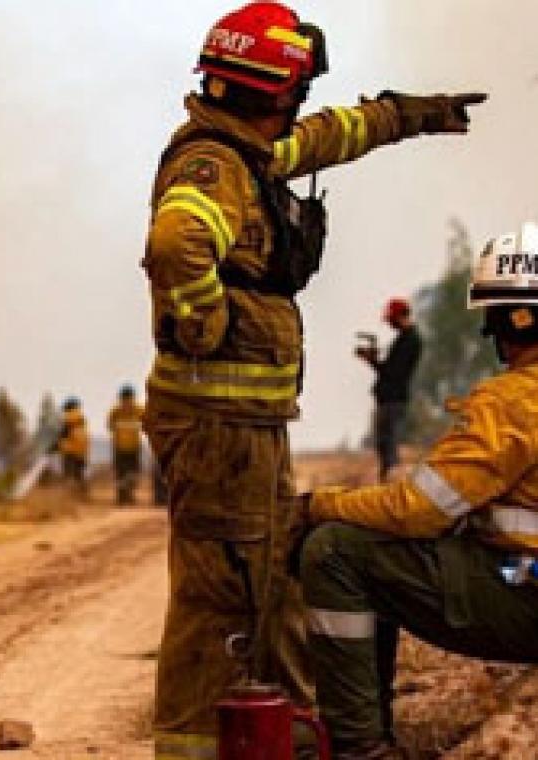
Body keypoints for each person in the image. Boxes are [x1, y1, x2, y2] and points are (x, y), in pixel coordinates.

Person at [140, 2, 485, 754]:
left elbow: (332, 134)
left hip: (242, 426)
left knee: (263, 581)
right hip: (219, 425)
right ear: (274, 89)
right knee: (224, 597)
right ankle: (199, 744)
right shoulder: (215, 167)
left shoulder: (250, 152)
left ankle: (269, 736)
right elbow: (176, 241)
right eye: (298, 89)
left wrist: (409, 116)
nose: (302, 103)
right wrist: (204, 322)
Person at [299, 223, 538, 760]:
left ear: (514, 318)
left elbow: (421, 509)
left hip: (524, 590)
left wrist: (319, 505)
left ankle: (358, 746)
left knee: (338, 550)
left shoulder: (516, 401)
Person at [355, 298, 423, 479]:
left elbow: (393, 372)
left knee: (388, 444)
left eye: (391, 319)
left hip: (393, 400)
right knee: (384, 444)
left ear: (400, 316)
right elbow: (390, 369)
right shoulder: (404, 338)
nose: (389, 323)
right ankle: (388, 481)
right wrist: (373, 360)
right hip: (390, 399)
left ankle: (392, 481)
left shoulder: (410, 340)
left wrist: (372, 359)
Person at [107, 385, 145, 505]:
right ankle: (129, 494)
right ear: (133, 396)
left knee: (120, 472)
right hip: (134, 446)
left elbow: (109, 426)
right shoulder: (139, 409)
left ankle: (122, 497)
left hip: (119, 447)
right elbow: (147, 424)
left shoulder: (115, 411)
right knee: (132, 471)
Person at [56, 397, 90, 497]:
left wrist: (56, 445)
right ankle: (83, 493)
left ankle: (70, 494)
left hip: (69, 449)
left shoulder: (67, 418)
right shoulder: (82, 419)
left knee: (68, 473)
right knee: (79, 473)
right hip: (82, 450)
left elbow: (63, 434)